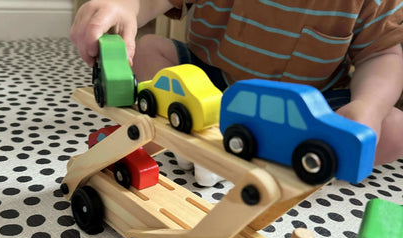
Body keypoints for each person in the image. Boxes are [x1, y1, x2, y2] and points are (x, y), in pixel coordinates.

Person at [70, 0, 403, 166]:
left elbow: (383, 53)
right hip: (210, 84)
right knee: (150, 49)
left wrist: (367, 108)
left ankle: (284, 156)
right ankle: (195, 135)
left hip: (312, 107)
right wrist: (125, 6)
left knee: (393, 130)